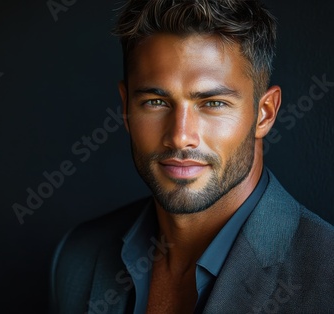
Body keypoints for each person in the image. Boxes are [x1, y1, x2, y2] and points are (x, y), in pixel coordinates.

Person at [49, 0, 334, 313]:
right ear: (126, 106)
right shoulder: (78, 255)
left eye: (212, 103)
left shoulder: (327, 277)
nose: (180, 136)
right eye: (156, 102)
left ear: (264, 114)